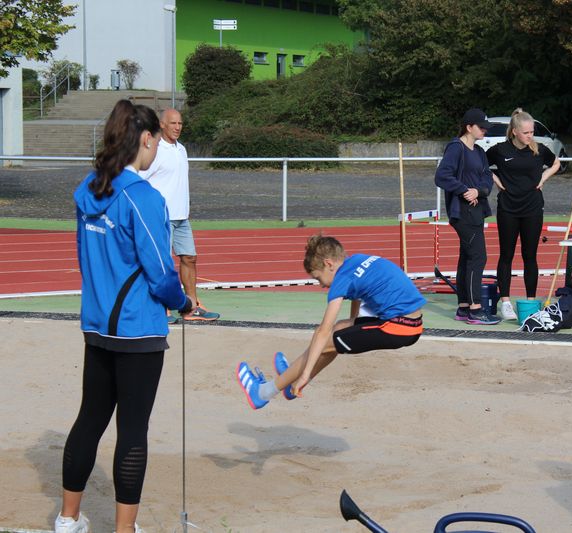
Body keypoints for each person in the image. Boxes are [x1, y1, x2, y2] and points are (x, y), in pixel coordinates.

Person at [57, 100, 195, 533]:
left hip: (97, 324)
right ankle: (124, 528)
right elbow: (160, 271)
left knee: (90, 419)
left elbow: (85, 256)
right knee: (133, 431)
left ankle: (67, 519)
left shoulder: (90, 187)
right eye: (155, 140)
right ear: (146, 138)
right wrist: (184, 302)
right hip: (137, 329)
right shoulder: (143, 197)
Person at [236, 235, 425, 407]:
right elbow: (358, 293)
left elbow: (323, 331)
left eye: (318, 278)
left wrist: (305, 374)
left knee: (327, 341)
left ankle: (263, 393)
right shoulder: (356, 261)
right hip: (411, 323)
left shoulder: (341, 278)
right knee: (340, 329)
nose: (321, 285)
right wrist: (352, 322)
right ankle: (291, 380)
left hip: (398, 328)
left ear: (328, 264)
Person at [140, 108, 219, 322]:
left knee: (189, 258)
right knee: (163, 264)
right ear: (162, 124)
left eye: (180, 123)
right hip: (161, 218)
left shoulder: (181, 149)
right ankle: (160, 308)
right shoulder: (155, 150)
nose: (177, 127)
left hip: (182, 216)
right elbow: (140, 178)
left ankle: (191, 307)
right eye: (173, 123)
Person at [486, 108, 560, 321]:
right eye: (526, 132)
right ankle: (505, 302)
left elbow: (556, 163)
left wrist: (543, 178)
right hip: (508, 208)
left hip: (532, 208)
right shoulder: (500, 150)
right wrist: (495, 180)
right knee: (506, 255)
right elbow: (481, 164)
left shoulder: (539, 150)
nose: (530, 136)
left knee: (530, 256)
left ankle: (530, 302)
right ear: (514, 132)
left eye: (532, 132)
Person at [434, 108, 499, 325]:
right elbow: (442, 176)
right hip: (462, 212)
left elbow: (487, 177)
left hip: (476, 211)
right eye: (481, 127)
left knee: (467, 257)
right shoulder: (456, 148)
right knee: (478, 257)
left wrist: (478, 191)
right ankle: (475, 309)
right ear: (469, 127)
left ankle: (463, 307)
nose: (484, 131)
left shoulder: (479, 151)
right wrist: (464, 190)